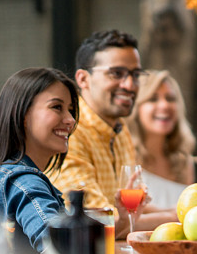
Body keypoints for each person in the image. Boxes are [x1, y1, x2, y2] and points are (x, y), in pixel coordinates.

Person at [49, 30, 175, 238]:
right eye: (116, 73)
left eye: (135, 75)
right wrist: (175, 217)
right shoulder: (69, 133)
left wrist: (179, 211)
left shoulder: (119, 128)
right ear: (83, 79)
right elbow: (97, 221)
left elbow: (129, 210)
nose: (129, 85)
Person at [0, 67, 79, 253]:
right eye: (57, 107)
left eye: (71, 110)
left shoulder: (7, 173)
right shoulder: (22, 181)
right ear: (23, 116)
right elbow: (57, 249)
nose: (71, 120)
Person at [126, 70, 197, 209]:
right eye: (153, 99)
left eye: (170, 98)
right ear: (136, 108)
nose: (165, 105)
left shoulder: (184, 162)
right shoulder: (124, 159)